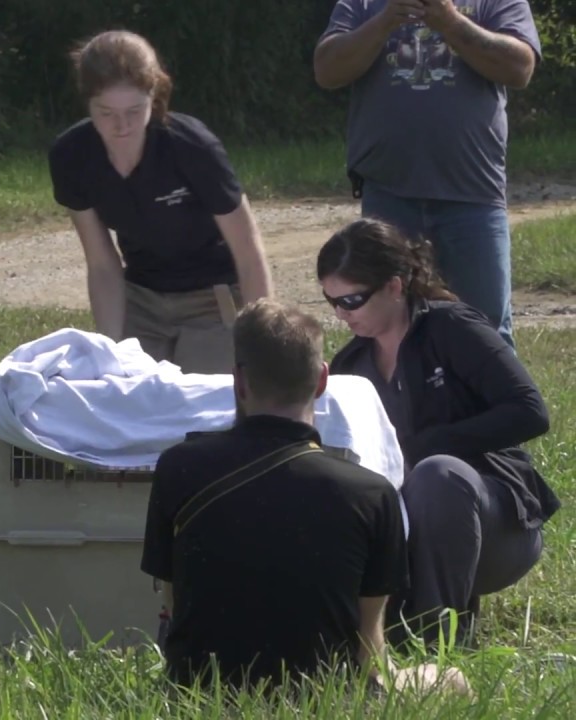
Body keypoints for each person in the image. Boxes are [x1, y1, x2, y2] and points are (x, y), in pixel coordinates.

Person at [141, 298, 415, 692]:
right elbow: (367, 641)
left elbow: (174, 603)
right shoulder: (372, 493)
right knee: (450, 680)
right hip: (325, 695)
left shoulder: (178, 469)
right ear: (322, 380)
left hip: (200, 690)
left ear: (239, 380)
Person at [318, 217, 562, 650]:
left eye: (352, 300)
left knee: (439, 473)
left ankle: (441, 645)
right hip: (402, 536)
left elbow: (530, 411)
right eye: (331, 301)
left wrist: (427, 445)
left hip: (493, 526)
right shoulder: (349, 366)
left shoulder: (451, 328)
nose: (341, 313)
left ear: (395, 285)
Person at [312, 0, 544, 350]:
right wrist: (386, 20)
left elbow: (520, 68)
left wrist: (449, 21)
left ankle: (498, 406)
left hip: (473, 194)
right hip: (389, 194)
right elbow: (327, 71)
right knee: (389, 329)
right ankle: (401, 405)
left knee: (486, 331)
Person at [48, 30, 273, 374]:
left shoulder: (192, 146)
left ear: (154, 96)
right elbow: (102, 263)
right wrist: (110, 350)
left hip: (212, 299)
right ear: (87, 102)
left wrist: (260, 345)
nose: (121, 126)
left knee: (204, 408)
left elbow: (247, 248)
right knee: (128, 399)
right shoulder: (71, 156)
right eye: (105, 112)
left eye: (135, 110)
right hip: (140, 298)